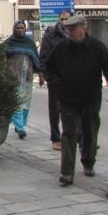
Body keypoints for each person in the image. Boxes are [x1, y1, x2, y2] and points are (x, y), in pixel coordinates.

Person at [44, 15, 108, 186]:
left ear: (84, 28)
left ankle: (88, 162)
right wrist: (56, 82)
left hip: (90, 98)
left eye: (73, 28)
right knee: (69, 133)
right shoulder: (61, 47)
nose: (70, 32)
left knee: (90, 132)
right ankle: (67, 173)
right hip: (67, 98)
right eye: (68, 29)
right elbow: (49, 66)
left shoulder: (96, 46)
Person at [4, 21, 44, 139]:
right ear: (14, 29)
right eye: (18, 28)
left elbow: (36, 60)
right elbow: (1, 56)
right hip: (14, 76)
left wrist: (41, 75)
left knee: (26, 101)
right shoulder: (9, 42)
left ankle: (21, 124)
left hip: (27, 76)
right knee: (17, 100)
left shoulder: (29, 43)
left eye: (23, 28)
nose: (20, 30)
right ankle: (20, 127)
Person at [39, 10, 72, 151]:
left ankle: (76, 137)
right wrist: (47, 76)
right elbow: (44, 55)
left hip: (72, 79)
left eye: (66, 19)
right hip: (55, 78)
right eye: (61, 19)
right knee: (55, 109)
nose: (63, 22)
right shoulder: (51, 34)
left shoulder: (74, 34)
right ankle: (56, 138)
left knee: (73, 109)